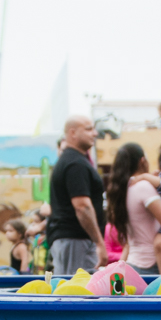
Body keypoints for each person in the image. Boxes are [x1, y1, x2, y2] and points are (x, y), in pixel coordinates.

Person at [106, 142, 161, 276]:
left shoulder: (122, 189)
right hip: (154, 265)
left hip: (133, 263)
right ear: (142, 161)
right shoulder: (143, 187)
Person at [46, 115, 106, 273]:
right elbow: (82, 206)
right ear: (72, 133)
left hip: (72, 240)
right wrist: (99, 242)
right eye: (89, 129)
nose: (94, 133)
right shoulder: (75, 164)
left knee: (73, 290)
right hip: (76, 240)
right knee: (77, 292)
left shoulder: (73, 160)